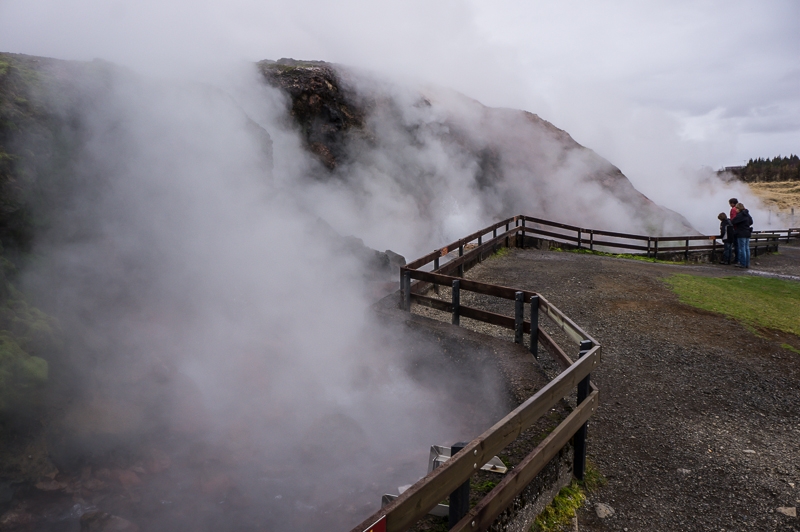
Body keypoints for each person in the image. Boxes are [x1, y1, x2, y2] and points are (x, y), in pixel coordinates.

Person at [731, 202, 753, 268]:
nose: (736, 210)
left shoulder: (740, 215)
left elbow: (733, 221)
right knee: (747, 248)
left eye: (736, 209)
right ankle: (747, 263)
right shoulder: (747, 214)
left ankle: (742, 263)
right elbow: (751, 222)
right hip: (747, 232)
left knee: (742, 248)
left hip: (741, 233)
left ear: (739, 208)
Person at [728, 198, 739, 263]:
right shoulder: (740, 209)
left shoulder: (733, 209)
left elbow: (734, 219)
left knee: (736, 245)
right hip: (740, 229)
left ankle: (736, 259)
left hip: (735, 229)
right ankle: (739, 259)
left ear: (732, 203)